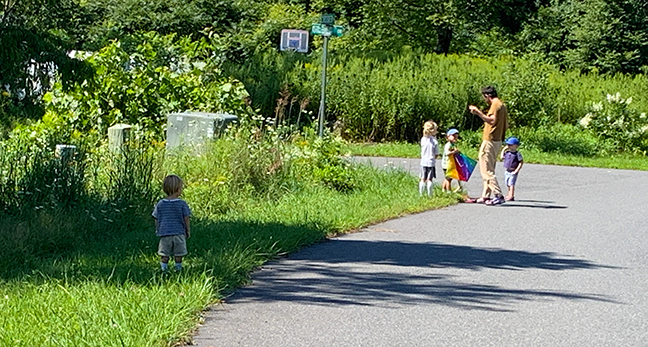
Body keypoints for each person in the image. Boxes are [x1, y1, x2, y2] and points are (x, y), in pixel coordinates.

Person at [469, 86, 509, 205]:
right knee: (489, 168)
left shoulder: (495, 105)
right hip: (497, 140)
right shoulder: (502, 105)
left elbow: (491, 120)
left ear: (487, 95)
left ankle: (498, 194)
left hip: (490, 140)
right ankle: (485, 195)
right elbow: (505, 124)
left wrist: (478, 113)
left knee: (486, 170)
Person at [152, 175, 192, 272]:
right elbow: (186, 218)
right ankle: (178, 268)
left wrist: (158, 229)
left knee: (164, 254)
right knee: (179, 254)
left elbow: (156, 218)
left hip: (165, 233)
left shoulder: (160, 203)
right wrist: (188, 230)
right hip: (179, 232)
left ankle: (163, 269)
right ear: (178, 189)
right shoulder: (182, 204)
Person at [419, 120, 439, 196]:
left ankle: (421, 194)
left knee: (422, 178)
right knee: (429, 179)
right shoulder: (434, 141)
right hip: (431, 162)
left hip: (423, 161)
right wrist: (434, 157)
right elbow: (436, 153)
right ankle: (430, 194)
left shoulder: (423, 139)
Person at [500, 137, 523, 201]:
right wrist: (504, 149)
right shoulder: (507, 152)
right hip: (507, 170)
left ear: (516, 146)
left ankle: (511, 196)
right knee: (507, 183)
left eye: (510, 145)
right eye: (508, 145)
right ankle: (509, 194)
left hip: (513, 171)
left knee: (511, 184)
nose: (508, 146)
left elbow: (521, 162)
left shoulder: (517, 154)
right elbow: (502, 157)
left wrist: (517, 170)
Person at [441, 128, 461, 192]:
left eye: (456, 136)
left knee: (447, 178)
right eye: (453, 136)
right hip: (446, 164)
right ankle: (448, 191)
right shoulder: (448, 145)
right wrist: (454, 152)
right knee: (449, 179)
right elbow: (448, 153)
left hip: (450, 164)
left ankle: (443, 189)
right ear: (448, 136)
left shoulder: (452, 144)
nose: (455, 137)